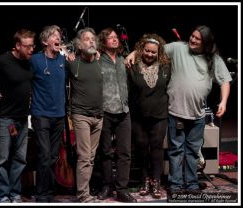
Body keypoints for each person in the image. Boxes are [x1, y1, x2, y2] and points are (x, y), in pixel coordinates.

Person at [125, 25, 232, 194]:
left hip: (197, 114)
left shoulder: (214, 59)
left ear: (206, 43)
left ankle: (191, 184)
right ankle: (175, 185)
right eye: (192, 36)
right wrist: (134, 53)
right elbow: (154, 48)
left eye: (198, 39)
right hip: (176, 112)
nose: (193, 40)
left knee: (193, 152)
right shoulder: (178, 48)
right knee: (175, 151)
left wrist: (224, 101)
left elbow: (224, 81)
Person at [0, 29, 35, 203]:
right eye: (28, 46)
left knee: (20, 159)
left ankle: (15, 194)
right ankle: (2, 195)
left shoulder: (28, 62)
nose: (31, 49)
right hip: (6, 118)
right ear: (17, 45)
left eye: (33, 45)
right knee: (4, 159)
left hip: (22, 117)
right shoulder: (2, 60)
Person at [128, 33, 171, 199]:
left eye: (153, 52)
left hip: (159, 114)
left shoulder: (166, 66)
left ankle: (156, 181)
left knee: (156, 147)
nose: (150, 54)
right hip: (138, 115)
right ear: (141, 49)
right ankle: (144, 179)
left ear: (158, 52)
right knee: (141, 147)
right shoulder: (132, 65)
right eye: (147, 51)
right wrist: (132, 53)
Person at [96, 28, 136, 203]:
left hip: (123, 111)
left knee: (125, 152)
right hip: (104, 110)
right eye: (110, 38)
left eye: (115, 37)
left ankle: (121, 188)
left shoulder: (123, 59)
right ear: (103, 42)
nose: (114, 40)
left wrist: (133, 52)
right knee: (105, 151)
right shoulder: (97, 59)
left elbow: (145, 46)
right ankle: (106, 185)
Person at [30, 25, 66, 202]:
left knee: (53, 156)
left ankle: (48, 192)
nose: (58, 37)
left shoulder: (63, 60)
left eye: (59, 35)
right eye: (53, 35)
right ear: (45, 41)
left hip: (59, 115)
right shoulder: (35, 60)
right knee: (44, 155)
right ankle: (41, 193)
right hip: (41, 114)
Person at [67, 27, 103, 203]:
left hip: (98, 116)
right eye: (87, 39)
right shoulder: (73, 63)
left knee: (91, 157)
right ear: (79, 45)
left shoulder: (99, 61)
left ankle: (85, 192)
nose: (91, 41)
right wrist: (67, 55)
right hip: (81, 115)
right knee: (84, 156)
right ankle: (83, 195)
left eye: (93, 39)